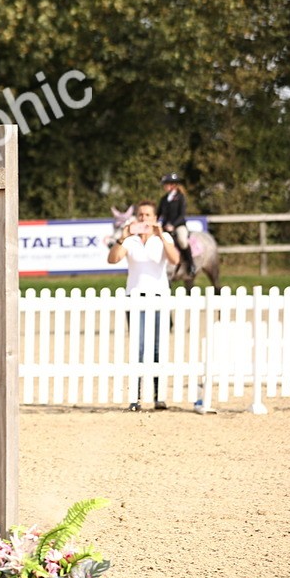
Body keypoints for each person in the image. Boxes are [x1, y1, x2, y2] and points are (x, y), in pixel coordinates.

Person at [107, 200, 180, 411]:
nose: (143, 218)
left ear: (155, 218)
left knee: (157, 347)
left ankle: (158, 396)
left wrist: (161, 235)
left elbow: (175, 259)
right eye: (140, 215)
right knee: (138, 347)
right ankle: (135, 397)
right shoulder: (130, 241)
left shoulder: (163, 238)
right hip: (135, 296)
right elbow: (113, 259)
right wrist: (123, 237)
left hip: (158, 296)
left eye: (147, 215)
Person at [157, 172, 194, 278]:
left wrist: (173, 225)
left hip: (178, 225)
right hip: (165, 226)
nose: (164, 186)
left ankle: (190, 264)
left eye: (166, 184)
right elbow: (158, 214)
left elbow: (182, 215)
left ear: (173, 185)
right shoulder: (164, 199)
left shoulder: (181, 197)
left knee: (182, 241)